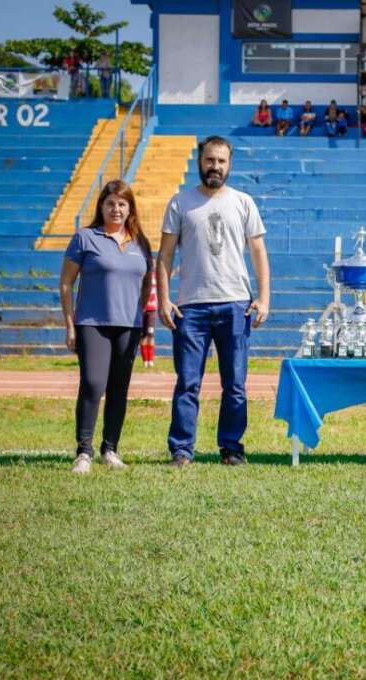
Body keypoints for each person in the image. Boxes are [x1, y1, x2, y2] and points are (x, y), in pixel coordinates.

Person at [156, 136, 271, 467]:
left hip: (236, 304)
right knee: (188, 383)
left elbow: (259, 251)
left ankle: (232, 448)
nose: (215, 167)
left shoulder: (244, 202)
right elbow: (163, 257)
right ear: (199, 161)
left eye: (221, 161)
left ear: (229, 164)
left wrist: (263, 297)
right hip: (191, 308)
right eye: (210, 160)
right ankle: (181, 450)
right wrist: (164, 299)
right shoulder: (180, 203)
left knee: (235, 384)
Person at [58, 180, 153, 474]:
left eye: (122, 204)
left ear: (130, 208)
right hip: (92, 324)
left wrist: (143, 324)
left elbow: (146, 284)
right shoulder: (85, 238)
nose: (116, 209)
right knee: (93, 384)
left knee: (119, 389)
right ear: (101, 206)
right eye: (110, 203)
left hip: (129, 326)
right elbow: (65, 283)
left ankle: (109, 449)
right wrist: (70, 325)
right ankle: (83, 452)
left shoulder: (141, 243)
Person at [140, 272, 158, 367]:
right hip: (142, 309)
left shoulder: (156, 275)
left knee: (150, 334)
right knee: (142, 336)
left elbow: (169, 274)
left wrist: (178, 269)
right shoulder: (142, 275)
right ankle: (145, 360)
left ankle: (150, 359)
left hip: (152, 310)